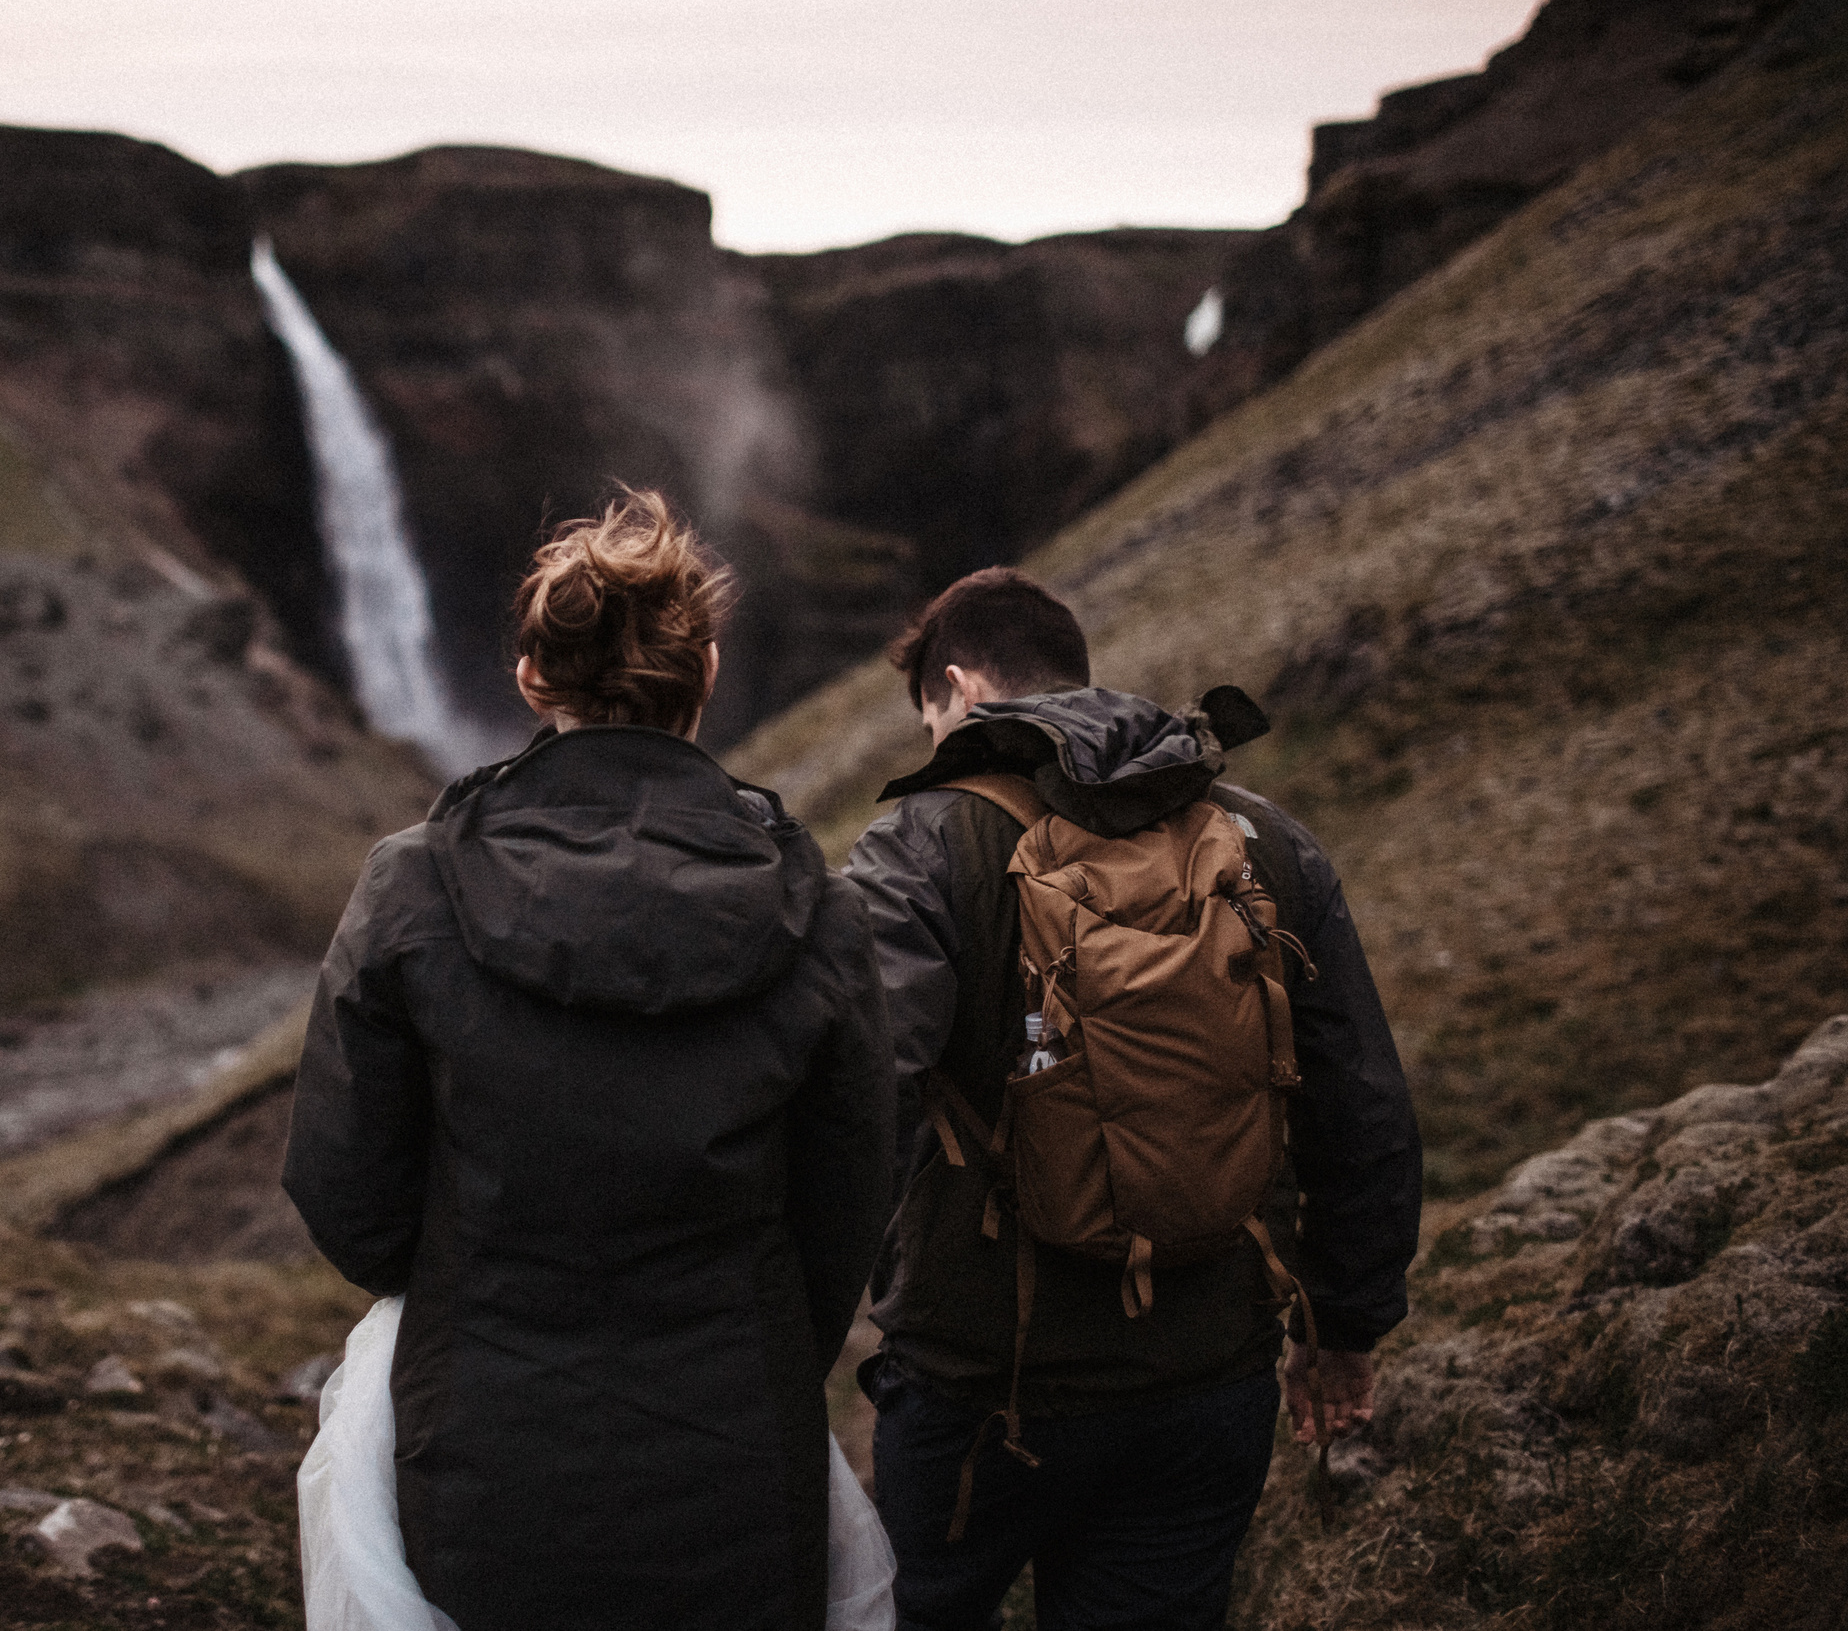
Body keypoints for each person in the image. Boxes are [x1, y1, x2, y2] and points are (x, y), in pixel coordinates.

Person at [283, 490, 897, 1631]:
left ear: (530, 679)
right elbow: (849, 1203)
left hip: (481, 1449)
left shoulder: (410, 886)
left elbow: (345, 1196)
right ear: (704, 674)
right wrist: (751, 1349)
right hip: (735, 1465)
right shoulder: (816, 907)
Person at [846, 566, 1422, 1631]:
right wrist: (1344, 1325)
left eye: (929, 720)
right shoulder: (1265, 842)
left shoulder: (922, 845)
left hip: (982, 1389)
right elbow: (1360, 1107)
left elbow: (858, 1103)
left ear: (961, 691)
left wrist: (787, 1325)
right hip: (1208, 1379)